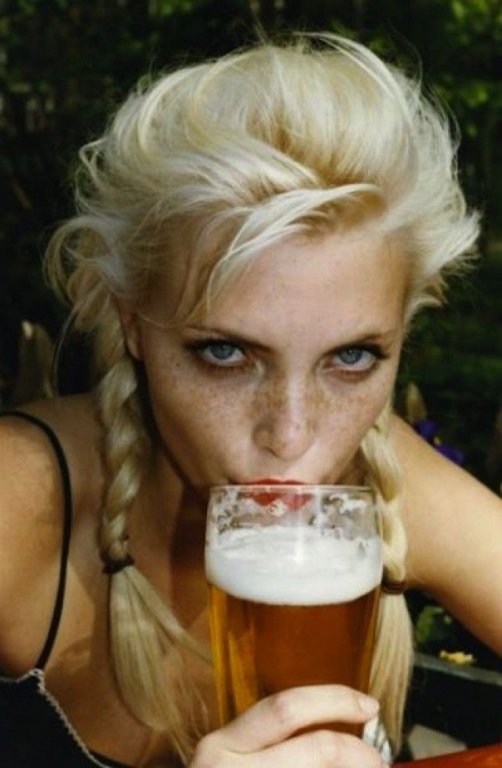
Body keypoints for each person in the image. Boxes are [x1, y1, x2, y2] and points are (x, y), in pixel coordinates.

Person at [0, 33, 501, 768]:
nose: (292, 437)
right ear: (133, 323)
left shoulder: (382, 479)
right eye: (224, 353)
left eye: (351, 358)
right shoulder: (20, 499)